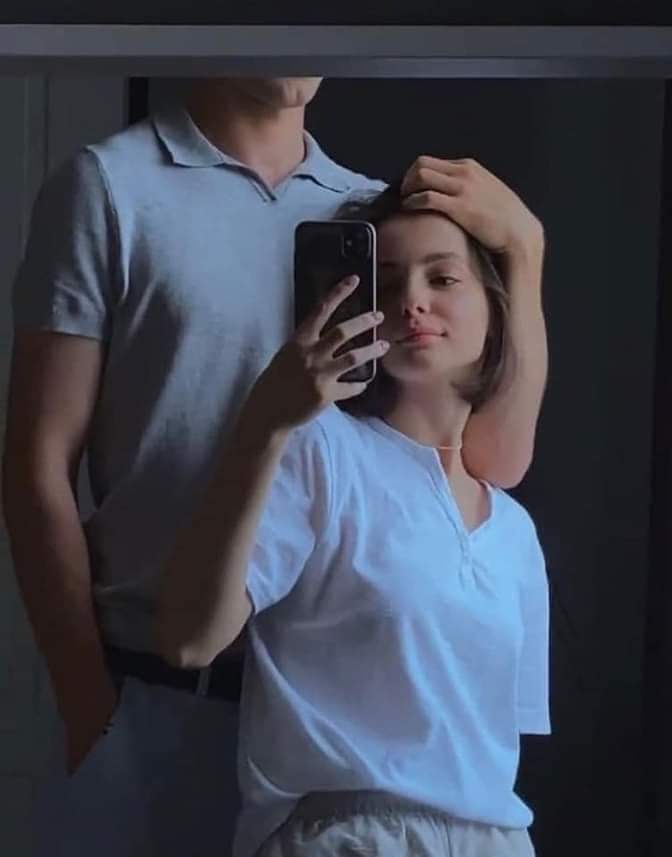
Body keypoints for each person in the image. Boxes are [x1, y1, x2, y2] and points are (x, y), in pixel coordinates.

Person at [1, 77, 547, 857]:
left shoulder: (367, 217)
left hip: (324, 726)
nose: (413, 296)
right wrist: (92, 710)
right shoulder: (111, 187)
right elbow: (36, 466)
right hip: (160, 688)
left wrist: (525, 251)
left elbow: (488, 461)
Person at [155, 181, 551, 857]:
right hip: (345, 835)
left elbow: (496, 743)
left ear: (495, 306)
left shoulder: (514, 531)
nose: (412, 301)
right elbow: (189, 641)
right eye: (386, 282)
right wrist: (264, 424)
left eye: (442, 278)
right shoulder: (321, 449)